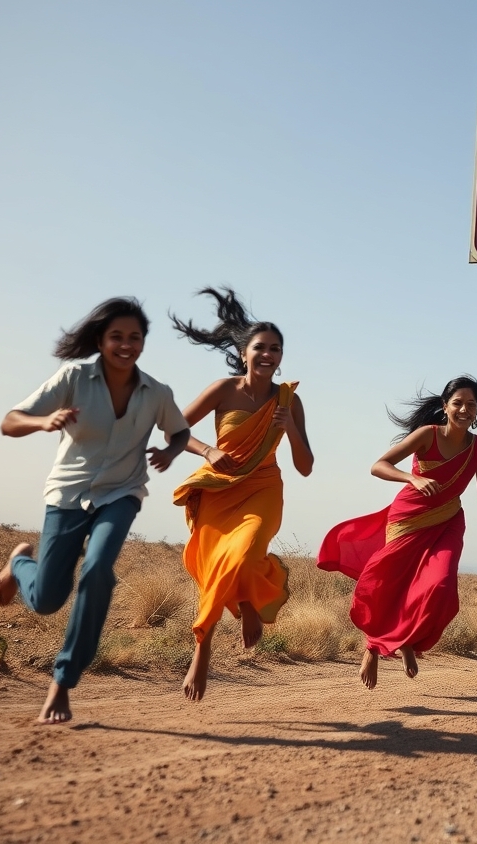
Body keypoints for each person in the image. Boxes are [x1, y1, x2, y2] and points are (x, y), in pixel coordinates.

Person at [0, 298, 191, 724]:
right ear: (100, 339)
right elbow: (10, 420)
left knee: (99, 569)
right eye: (116, 336)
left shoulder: (157, 392)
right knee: (46, 600)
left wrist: (171, 452)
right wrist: (41, 423)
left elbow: (180, 431)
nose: (126, 345)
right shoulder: (75, 377)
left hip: (121, 494)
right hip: (68, 493)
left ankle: (62, 683)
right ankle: (19, 564)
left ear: (143, 342)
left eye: (134, 337)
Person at [171, 287, 313, 702]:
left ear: (281, 356)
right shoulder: (223, 389)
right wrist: (209, 450)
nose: (268, 354)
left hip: (264, 487)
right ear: (244, 352)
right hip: (220, 487)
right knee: (218, 562)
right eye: (260, 347)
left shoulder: (289, 400)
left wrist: (288, 428)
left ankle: (210, 640)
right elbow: (176, 431)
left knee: (247, 547)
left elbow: (305, 467)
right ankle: (219, 631)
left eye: (276, 349)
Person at [318, 376, 477, 689]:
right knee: (388, 587)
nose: (464, 409)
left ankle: (407, 641)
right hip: (408, 518)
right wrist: (412, 478)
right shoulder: (427, 435)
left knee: (439, 585)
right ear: (445, 407)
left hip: (448, 520)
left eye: (471, 404)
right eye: (457, 402)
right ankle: (374, 647)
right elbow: (379, 466)